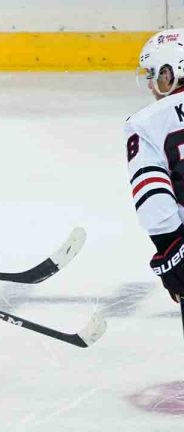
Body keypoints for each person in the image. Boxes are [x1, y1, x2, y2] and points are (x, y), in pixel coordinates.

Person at [126, 29, 184, 303]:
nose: (151, 85)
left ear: (169, 71)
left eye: (153, 74)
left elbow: (152, 191)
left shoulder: (147, 122)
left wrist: (171, 251)